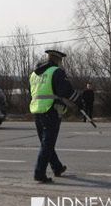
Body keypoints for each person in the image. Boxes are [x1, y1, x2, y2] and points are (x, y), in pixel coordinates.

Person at [29, 49, 84, 183]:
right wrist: (79, 102)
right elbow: (66, 91)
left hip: (37, 110)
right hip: (50, 110)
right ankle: (39, 173)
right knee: (47, 143)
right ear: (57, 60)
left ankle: (57, 167)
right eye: (60, 61)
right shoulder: (56, 72)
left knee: (46, 143)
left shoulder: (34, 74)